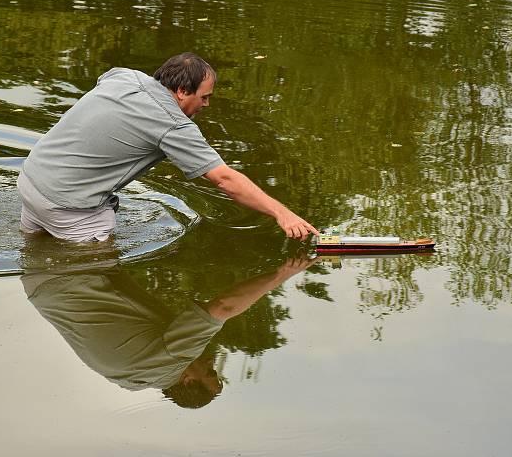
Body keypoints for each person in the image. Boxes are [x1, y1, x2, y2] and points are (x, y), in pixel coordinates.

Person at [17, 52, 319, 243]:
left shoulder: (124, 76)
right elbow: (225, 180)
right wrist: (283, 214)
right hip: (69, 207)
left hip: (30, 179)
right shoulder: (173, 126)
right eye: (204, 97)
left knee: (35, 250)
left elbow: (103, 80)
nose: (207, 104)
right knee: (95, 269)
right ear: (182, 91)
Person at [19, 233, 318, 408]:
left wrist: (284, 273)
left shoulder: (172, 362)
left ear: (188, 380)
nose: (211, 362)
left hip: (71, 272)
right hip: (40, 284)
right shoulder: (132, 381)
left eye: (210, 372)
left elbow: (224, 306)